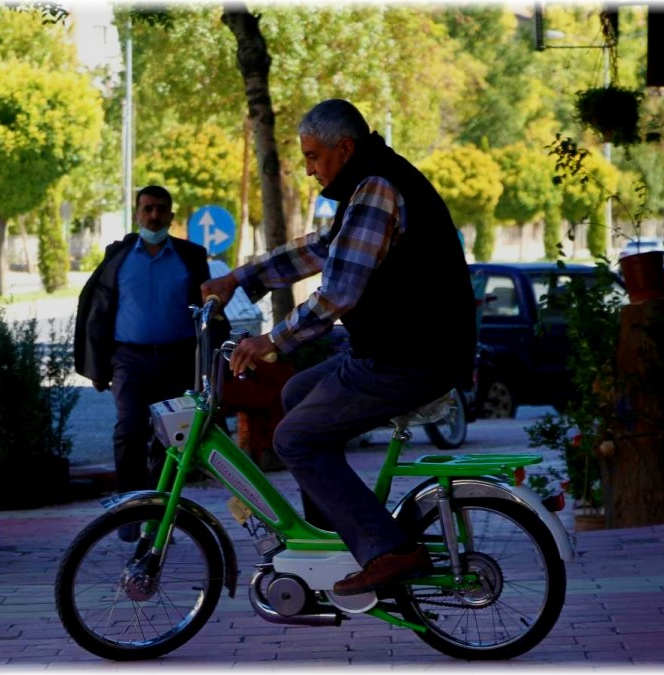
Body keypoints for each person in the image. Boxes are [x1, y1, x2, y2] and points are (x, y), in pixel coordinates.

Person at [201, 99, 475, 596]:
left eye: (312, 157)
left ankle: (389, 549)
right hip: (397, 351)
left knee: (293, 439)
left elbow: (338, 291)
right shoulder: (368, 183)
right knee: (297, 397)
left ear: (343, 148)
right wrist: (239, 277)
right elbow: (322, 248)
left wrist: (271, 341)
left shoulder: (376, 187)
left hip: (409, 358)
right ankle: (332, 541)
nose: (308, 169)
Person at [75, 185, 215, 539]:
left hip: (176, 359)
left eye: (161, 209)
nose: (154, 215)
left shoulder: (191, 257)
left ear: (171, 214)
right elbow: (98, 312)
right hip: (128, 360)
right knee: (129, 430)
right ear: (137, 213)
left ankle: (159, 516)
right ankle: (130, 513)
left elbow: (211, 313)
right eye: (148, 208)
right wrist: (97, 367)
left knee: (169, 442)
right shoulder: (118, 258)